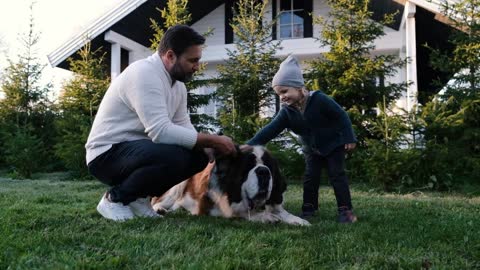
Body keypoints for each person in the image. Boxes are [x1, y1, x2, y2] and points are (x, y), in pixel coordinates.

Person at [86, 25, 236, 221]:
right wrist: (213, 140)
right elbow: (161, 132)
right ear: (170, 56)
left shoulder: (178, 86)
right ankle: (115, 199)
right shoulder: (144, 73)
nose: (197, 66)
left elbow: (182, 124)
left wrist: (206, 146)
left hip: (138, 152)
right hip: (106, 155)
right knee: (174, 155)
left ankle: (139, 199)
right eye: (192, 60)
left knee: (199, 157)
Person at [243, 55, 358, 223]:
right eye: (278, 94)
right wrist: (250, 145)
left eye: (284, 91)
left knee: (337, 176)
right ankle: (309, 208)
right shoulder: (287, 112)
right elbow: (270, 130)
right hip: (311, 150)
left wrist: (349, 137)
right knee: (310, 177)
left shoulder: (319, 100)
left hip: (334, 145)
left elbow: (341, 116)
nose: (281, 97)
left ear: (299, 87)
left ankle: (345, 210)